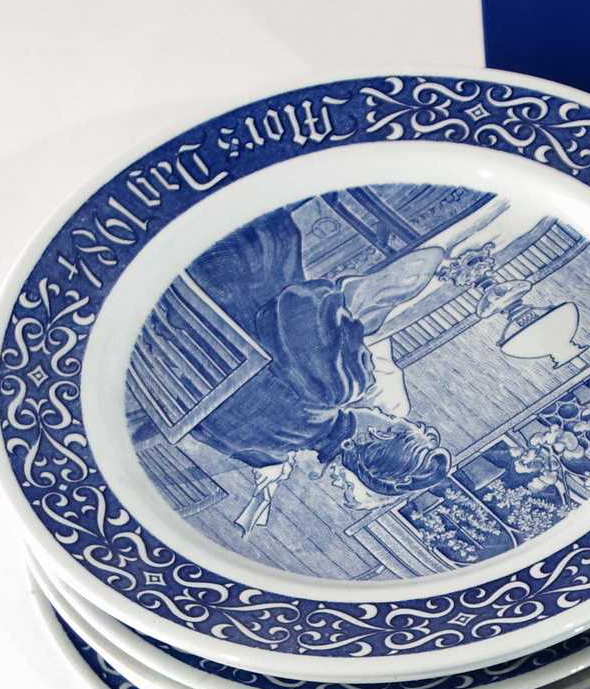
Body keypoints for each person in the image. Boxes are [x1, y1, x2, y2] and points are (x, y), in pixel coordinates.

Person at [177, 207, 459, 533]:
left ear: (376, 434)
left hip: (221, 259)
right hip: (168, 327)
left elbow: (300, 300)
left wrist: (355, 319)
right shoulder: (266, 452)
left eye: (392, 420)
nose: (386, 412)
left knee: (280, 238)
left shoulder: (340, 386)